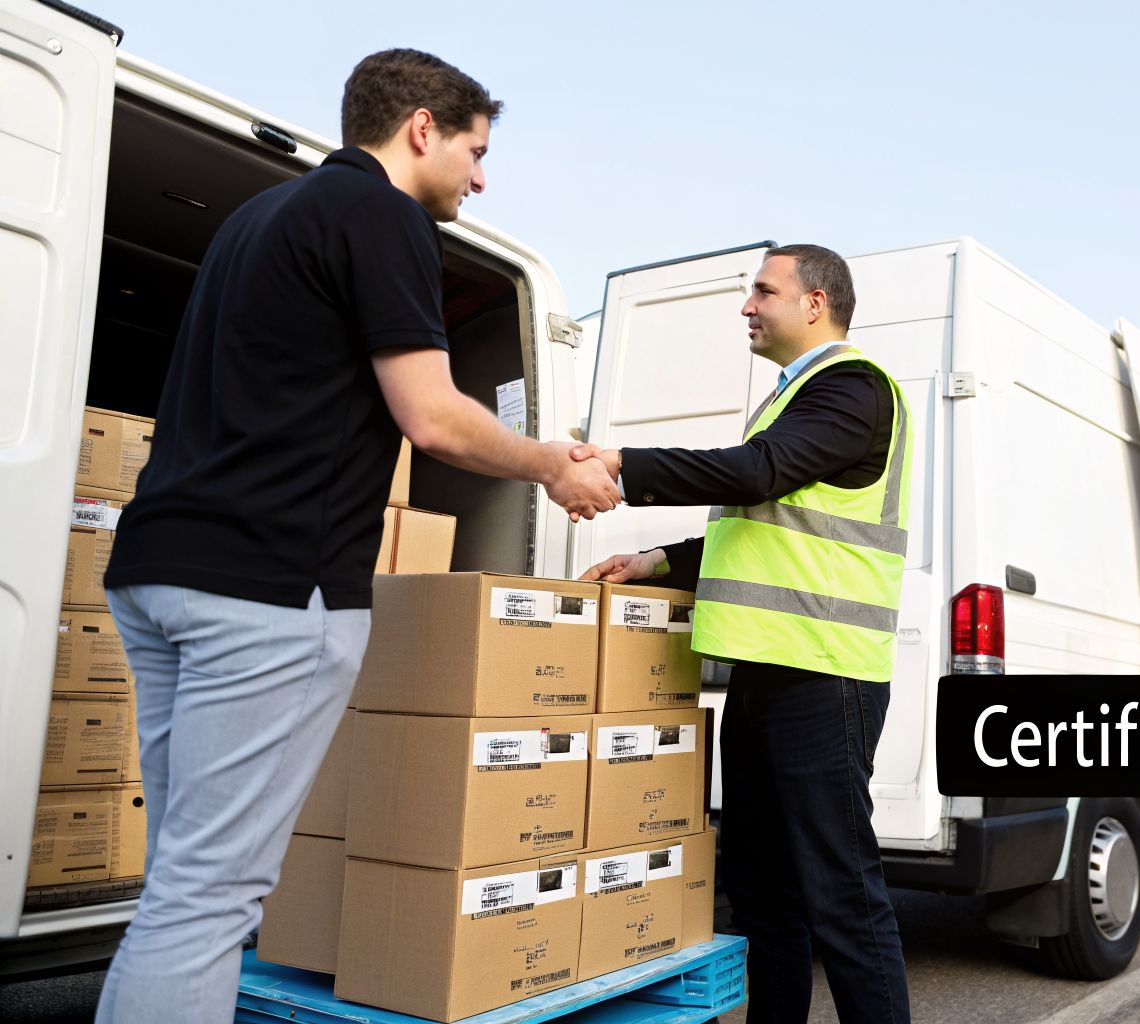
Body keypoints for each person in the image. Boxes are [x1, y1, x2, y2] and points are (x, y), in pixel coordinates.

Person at [96, 49, 619, 1023]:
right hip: (265, 592)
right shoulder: (382, 216)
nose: (480, 174)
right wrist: (553, 462)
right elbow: (431, 414)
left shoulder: (259, 217)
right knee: (208, 899)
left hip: (160, 571)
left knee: (179, 888)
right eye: (475, 148)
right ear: (421, 127)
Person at [579, 244, 913, 1023]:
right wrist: (658, 559)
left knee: (842, 898)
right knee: (763, 893)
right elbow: (757, 527)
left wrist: (623, 466)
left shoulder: (853, 389)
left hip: (827, 675)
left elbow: (757, 472)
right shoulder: (794, 400)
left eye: (764, 291)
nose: (747, 307)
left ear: (815, 303)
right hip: (768, 675)